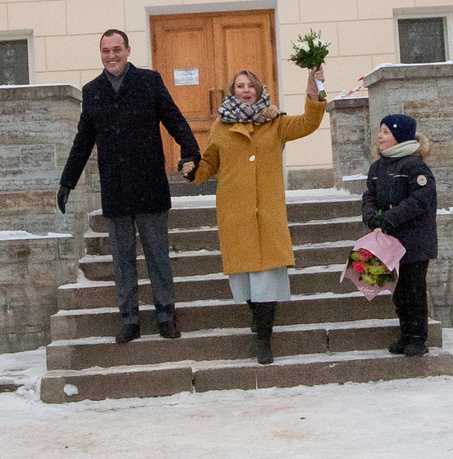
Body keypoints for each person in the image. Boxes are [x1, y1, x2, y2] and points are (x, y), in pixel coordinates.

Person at [59, 29, 201, 343]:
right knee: (122, 261)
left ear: (128, 50)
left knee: (157, 256)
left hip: (149, 184)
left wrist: (190, 151)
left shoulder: (149, 81)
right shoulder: (92, 91)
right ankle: (130, 319)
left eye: (117, 49)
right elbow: (83, 140)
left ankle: (166, 314)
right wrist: (67, 180)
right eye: (105, 51)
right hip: (116, 188)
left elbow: (174, 119)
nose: (111, 56)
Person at [194, 66, 326, 365]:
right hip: (235, 212)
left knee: (266, 278)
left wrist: (313, 88)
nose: (245, 90)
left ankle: (264, 340)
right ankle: (257, 319)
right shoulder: (220, 127)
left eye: (250, 85)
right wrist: (192, 171)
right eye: (240, 86)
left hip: (266, 212)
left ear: (259, 89)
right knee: (245, 280)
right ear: (233, 92)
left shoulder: (276, 123)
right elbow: (209, 164)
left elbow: (308, 122)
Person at [360, 112, 438, 357]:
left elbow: (420, 200)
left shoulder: (416, 166)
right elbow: (369, 197)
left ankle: (418, 338)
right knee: (399, 291)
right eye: (380, 131)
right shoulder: (378, 167)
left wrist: (390, 218)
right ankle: (405, 334)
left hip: (415, 242)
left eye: (385, 132)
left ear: (399, 136)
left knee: (414, 289)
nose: (379, 137)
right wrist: (371, 216)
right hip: (389, 241)